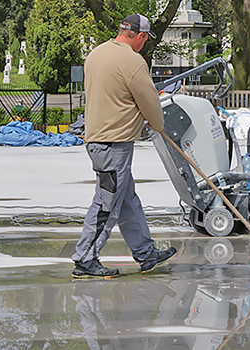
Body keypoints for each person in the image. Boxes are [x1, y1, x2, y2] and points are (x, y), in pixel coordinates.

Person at [71, 14, 177, 279]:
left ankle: (145, 252)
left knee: (126, 199)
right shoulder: (132, 61)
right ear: (140, 36)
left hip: (98, 138)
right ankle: (85, 258)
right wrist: (157, 123)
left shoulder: (96, 54)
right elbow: (148, 98)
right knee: (107, 202)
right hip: (114, 144)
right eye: (146, 39)